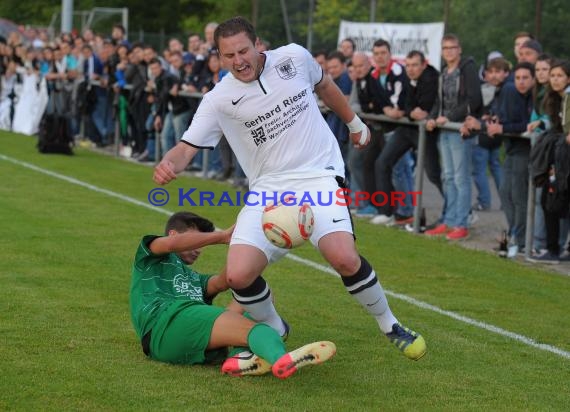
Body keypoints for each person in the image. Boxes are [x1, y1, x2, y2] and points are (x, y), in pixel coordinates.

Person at [153, 17, 426, 361]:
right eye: (228, 55)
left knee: (343, 257)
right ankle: (275, 326)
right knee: (238, 275)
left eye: (243, 50)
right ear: (219, 58)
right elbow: (186, 147)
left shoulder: (294, 58)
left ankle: (390, 325)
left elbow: (325, 85)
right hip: (267, 190)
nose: (238, 60)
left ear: (258, 45)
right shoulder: (218, 99)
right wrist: (169, 164)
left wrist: (355, 124)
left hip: (318, 177)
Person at [130, 211, 336, 378]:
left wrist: (247, 244)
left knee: (256, 297)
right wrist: (221, 236)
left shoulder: (194, 278)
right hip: (164, 324)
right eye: (197, 239)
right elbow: (169, 245)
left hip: (181, 344)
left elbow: (223, 281)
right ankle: (281, 358)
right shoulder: (149, 255)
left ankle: (238, 358)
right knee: (256, 329)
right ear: (174, 234)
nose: (199, 249)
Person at [426, 33, 483, 240]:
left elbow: (474, 100)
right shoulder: (444, 72)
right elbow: (437, 103)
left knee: (460, 178)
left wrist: (448, 117)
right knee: (448, 177)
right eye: (445, 48)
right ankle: (449, 221)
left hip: (461, 129)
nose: (449, 52)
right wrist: (433, 118)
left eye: (452, 48)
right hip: (445, 130)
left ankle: (462, 223)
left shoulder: (467, 68)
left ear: (459, 49)